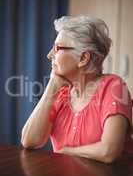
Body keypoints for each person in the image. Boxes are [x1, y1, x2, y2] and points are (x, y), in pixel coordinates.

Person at [21, 15, 133, 163]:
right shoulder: (60, 94)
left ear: (83, 58)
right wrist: (52, 86)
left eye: (57, 48)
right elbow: (29, 141)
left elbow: (109, 151)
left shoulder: (114, 87)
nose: (49, 55)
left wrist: (67, 151)